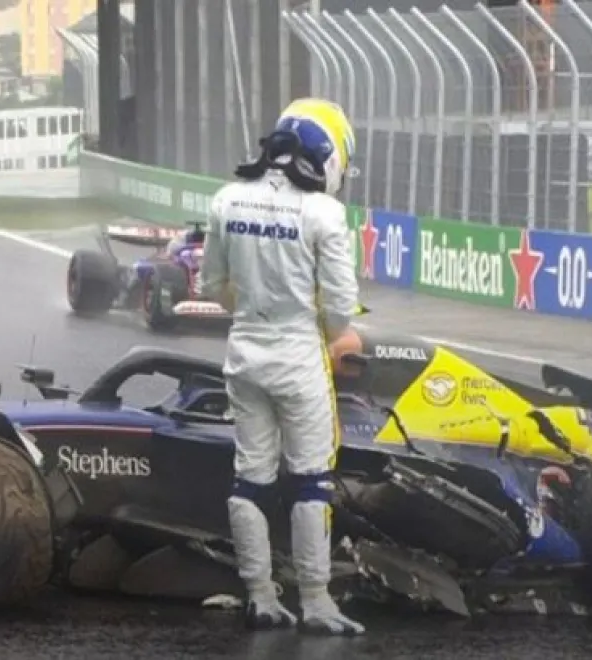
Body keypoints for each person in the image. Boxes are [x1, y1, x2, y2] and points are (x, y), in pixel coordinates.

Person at [198, 98, 364, 636]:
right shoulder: (325, 213)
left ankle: (260, 597)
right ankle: (315, 602)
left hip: (243, 353)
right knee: (312, 481)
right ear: (326, 153)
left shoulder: (227, 199)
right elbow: (341, 316)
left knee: (250, 478)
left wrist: (257, 305)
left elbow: (211, 289)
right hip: (298, 357)